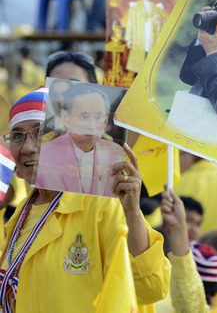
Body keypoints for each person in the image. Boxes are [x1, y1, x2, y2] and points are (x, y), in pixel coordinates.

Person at [1, 87, 171, 312]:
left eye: (40, 133)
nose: (28, 147)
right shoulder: (19, 215)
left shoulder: (102, 203)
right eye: (17, 136)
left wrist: (132, 213)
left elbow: (151, 288)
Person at [36, 84, 124, 196]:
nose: (92, 126)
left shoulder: (115, 153)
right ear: (65, 118)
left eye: (98, 117)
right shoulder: (44, 154)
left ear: (106, 119)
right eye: (84, 117)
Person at [160, 188, 217, 313]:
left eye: (197, 224)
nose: (193, 230)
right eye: (187, 221)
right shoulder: (151, 252)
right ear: (167, 217)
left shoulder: (200, 262)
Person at [125, 0, 166, 73]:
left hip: (152, 38)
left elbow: (163, 24)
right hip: (138, 39)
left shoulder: (157, 8)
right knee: (138, 67)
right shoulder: (135, 7)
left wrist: (158, 22)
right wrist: (129, 39)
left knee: (150, 65)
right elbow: (130, 24)